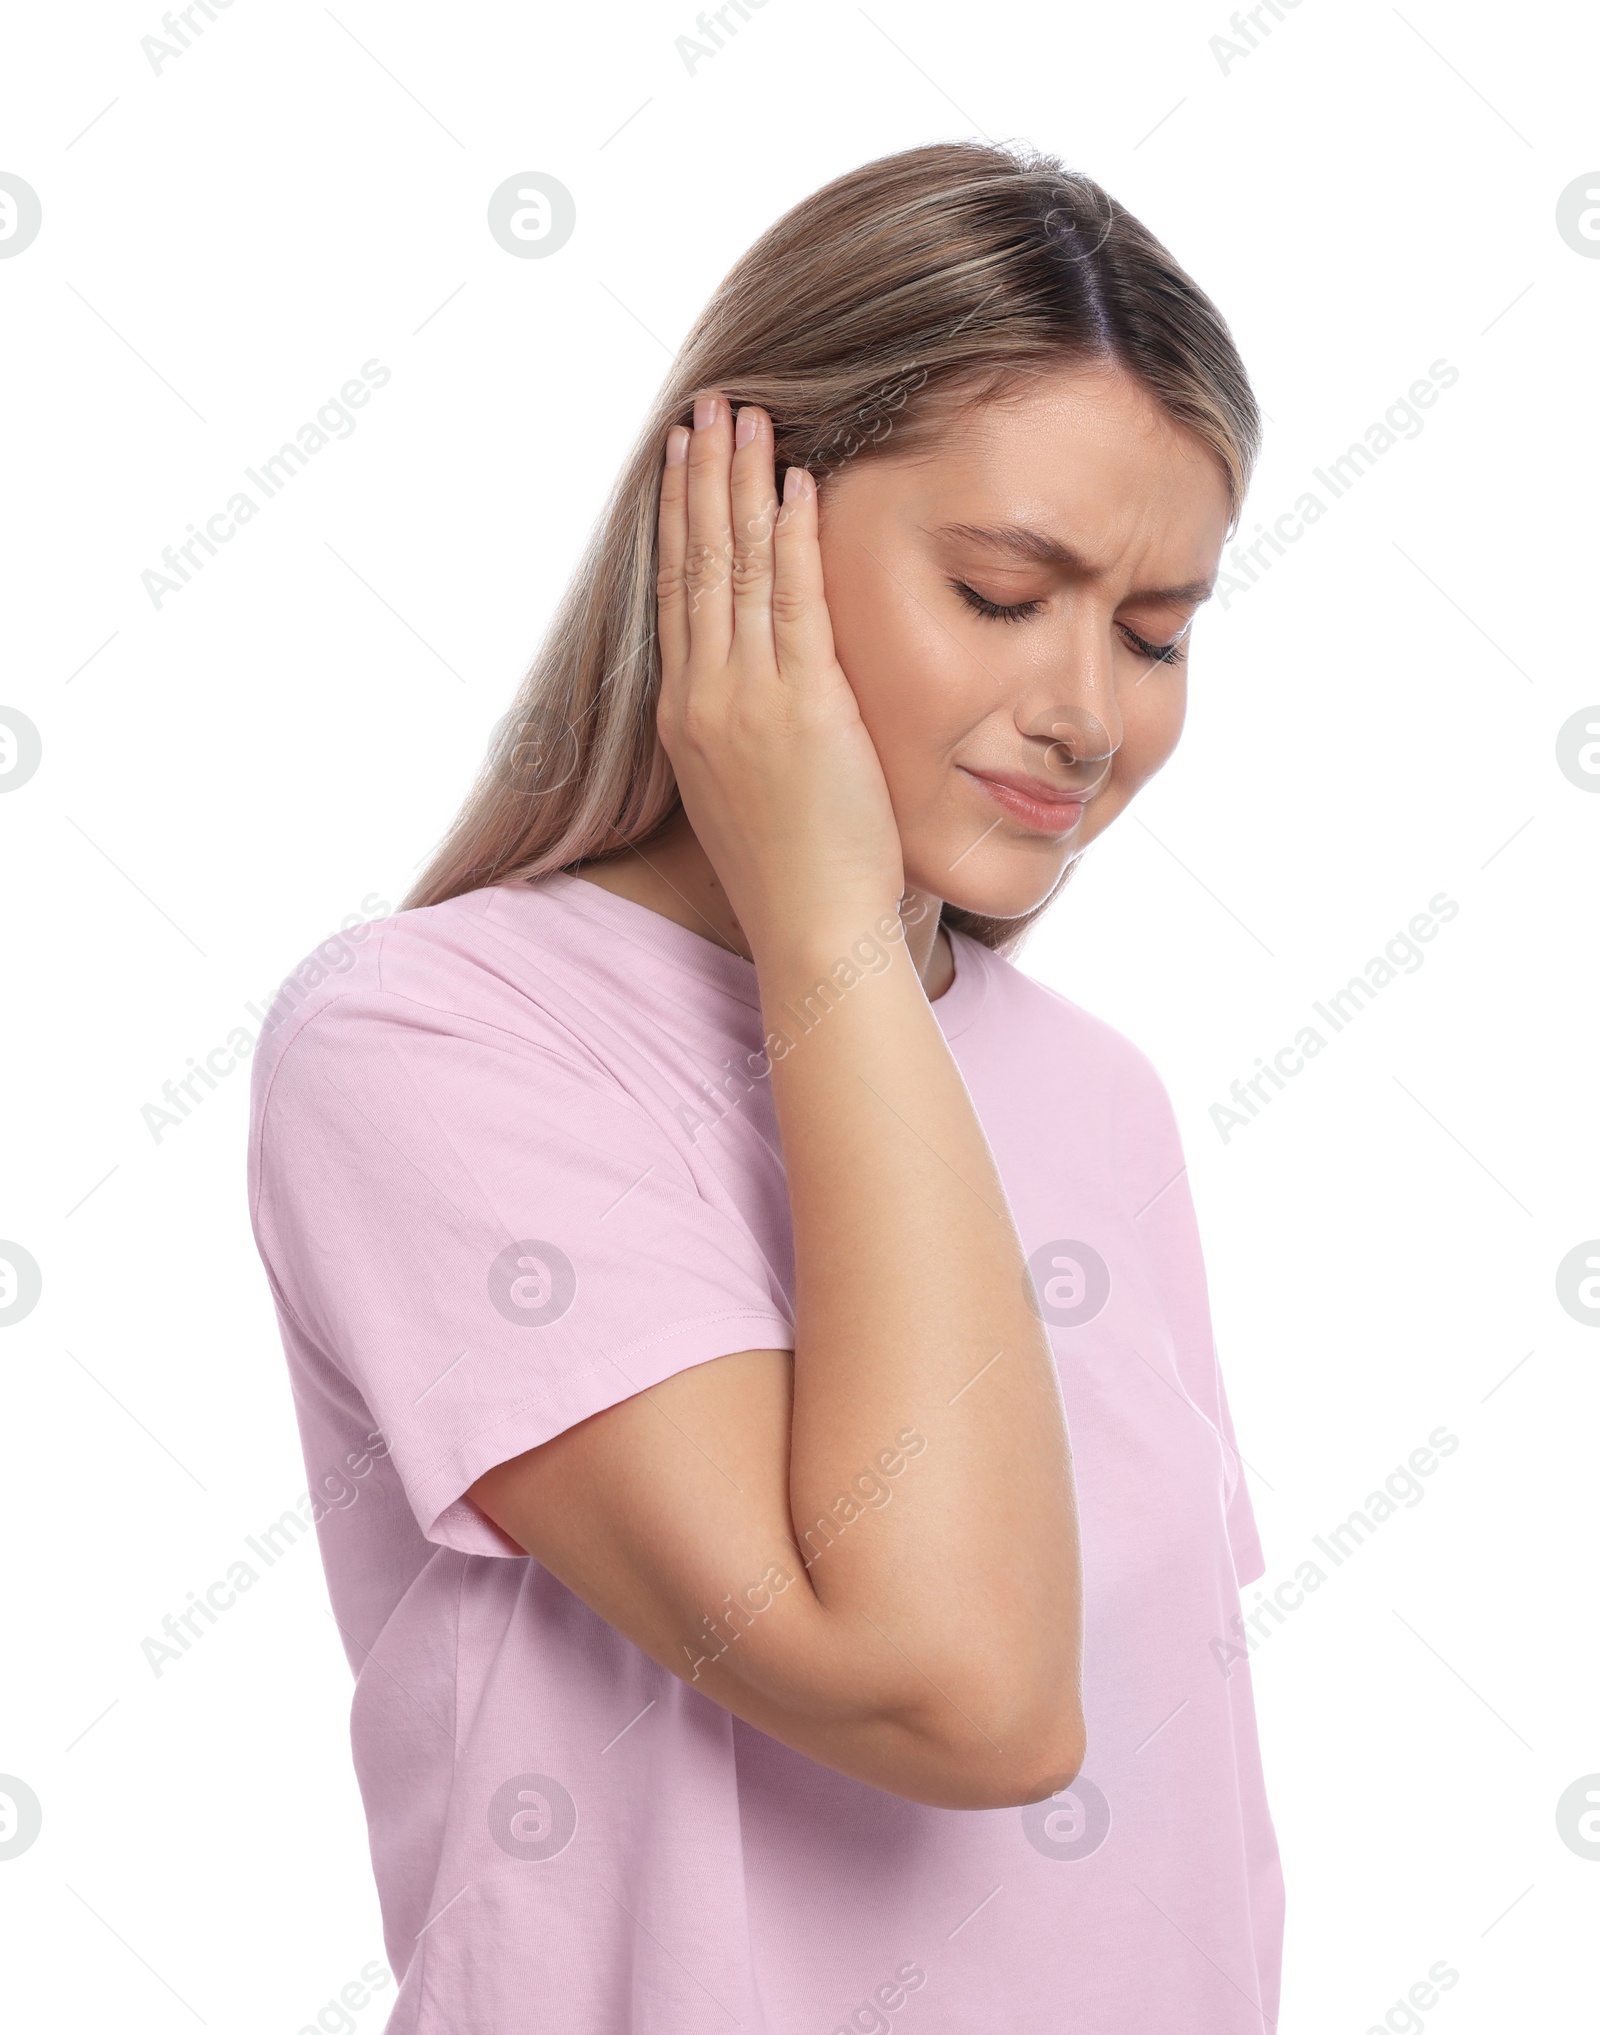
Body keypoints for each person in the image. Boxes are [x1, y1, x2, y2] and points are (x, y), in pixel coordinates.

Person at [248, 138, 1282, 2034]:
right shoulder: (427, 1049)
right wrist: (827, 937)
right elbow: (953, 1689)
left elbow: (1175, 1860)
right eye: (1000, 590)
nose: (1088, 708)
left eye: (1156, 633)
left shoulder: (1103, 1104)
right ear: (740, 538)